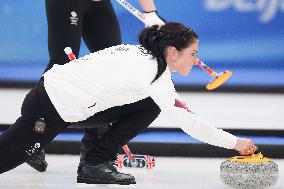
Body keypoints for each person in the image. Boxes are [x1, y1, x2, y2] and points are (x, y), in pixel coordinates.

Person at [0, 22, 257, 185]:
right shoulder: (151, 73)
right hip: (48, 107)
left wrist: (171, 101)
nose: (195, 61)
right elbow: (189, 124)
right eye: (193, 54)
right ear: (173, 52)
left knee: (151, 104)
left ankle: (96, 162)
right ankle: (94, 160)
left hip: (70, 104)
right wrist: (235, 143)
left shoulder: (149, 60)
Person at [25, 0, 166, 172]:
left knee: (110, 65)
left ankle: (92, 152)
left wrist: (150, 13)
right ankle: (32, 136)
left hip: (99, 4)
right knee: (61, 65)